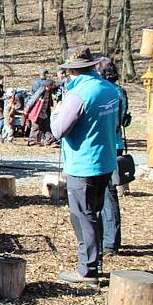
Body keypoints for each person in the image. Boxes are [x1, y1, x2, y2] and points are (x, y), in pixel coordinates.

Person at [52, 47, 119, 287]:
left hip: (83, 164)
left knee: (84, 215)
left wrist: (56, 112)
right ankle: (95, 261)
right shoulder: (110, 89)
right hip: (106, 161)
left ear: (71, 71)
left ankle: (88, 270)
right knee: (95, 212)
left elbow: (58, 130)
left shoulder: (78, 94)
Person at [95, 57, 127, 256]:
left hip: (109, 146)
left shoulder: (108, 92)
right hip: (114, 144)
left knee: (108, 193)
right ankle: (108, 238)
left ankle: (110, 242)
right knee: (107, 193)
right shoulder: (119, 92)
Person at [25, 79, 57, 147]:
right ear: (49, 85)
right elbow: (32, 100)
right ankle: (32, 142)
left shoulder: (49, 91)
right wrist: (26, 110)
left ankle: (49, 141)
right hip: (37, 112)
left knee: (47, 127)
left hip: (44, 113)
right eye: (52, 85)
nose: (54, 86)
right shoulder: (41, 91)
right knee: (36, 127)